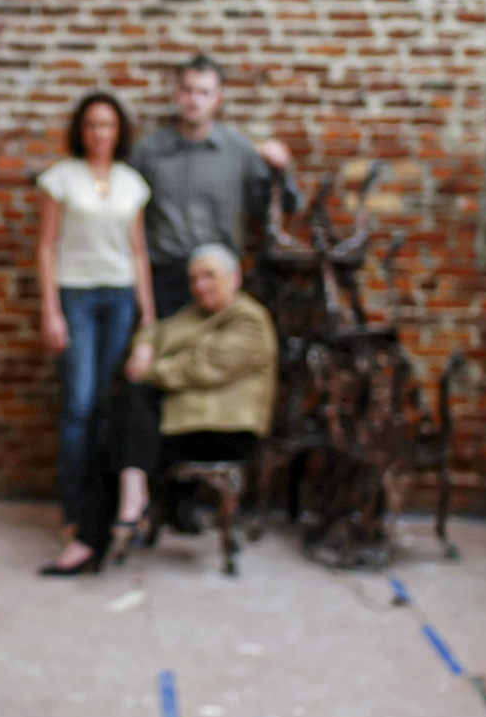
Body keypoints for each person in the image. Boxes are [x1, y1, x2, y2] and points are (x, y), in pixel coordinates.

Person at [35, 92, 155, 576]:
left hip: (121, 298)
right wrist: (51, 311)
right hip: (77, 298)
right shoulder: (60, 179)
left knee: (109, 405)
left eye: (108, 125)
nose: (100, 133)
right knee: (79, 405)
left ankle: (101, 513)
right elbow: (46, 249)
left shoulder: (132, 184)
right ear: (81, 130)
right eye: (91, 125)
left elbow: (139, 252)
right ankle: (74, 509)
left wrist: (147, 316)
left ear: (119, 131)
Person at [110, 244, 278, 546]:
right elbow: (158, 331)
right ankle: (128, 508)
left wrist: (145, 370)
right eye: (194, 279)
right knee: (120, 415)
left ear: (235, 277)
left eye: (209, 276)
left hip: (224, 430)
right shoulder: (195, 314)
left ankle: (117, 520)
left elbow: (199, 367)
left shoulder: (250, 320)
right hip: (188, 421)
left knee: (120, 421)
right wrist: (144, 347)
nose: (200, 286)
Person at [130, 53, 300, 319]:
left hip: (221, 275)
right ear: (177, 94)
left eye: (204, 92)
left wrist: (282, 170)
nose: (194, 100)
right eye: (188, 90)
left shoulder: (239, 151)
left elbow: (279, 206)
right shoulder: (148, 152)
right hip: (166, 277)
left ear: (218, 99)